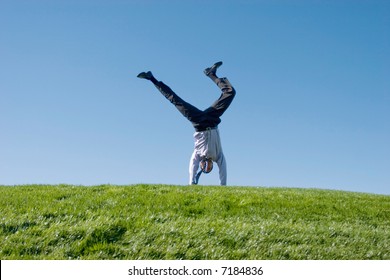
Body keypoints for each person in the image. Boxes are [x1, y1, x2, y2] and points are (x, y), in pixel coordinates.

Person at [137, 61, 236, 185]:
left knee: (175, 100)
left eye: (204, 166)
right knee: (230, 93)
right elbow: (223, 170)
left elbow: (192, 168)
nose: (206, 164)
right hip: (213, 119)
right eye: (209, 166)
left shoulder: (197, 155)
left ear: (201, 165)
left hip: (198, 123)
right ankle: (211, 73)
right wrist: (223, 186)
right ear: (212, 165)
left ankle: (151, 78)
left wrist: (192, 183)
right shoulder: (218, 156)